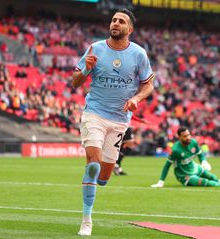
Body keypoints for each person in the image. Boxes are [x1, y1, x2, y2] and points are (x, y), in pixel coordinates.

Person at [72, 9, 154, 236]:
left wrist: (136, 98)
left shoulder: (138, 54)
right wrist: (86, 68)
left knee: (105, 177)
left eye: (122, 21)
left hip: (119, 121)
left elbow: (149, 84)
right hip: (94, 114)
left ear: (130, 29)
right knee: (93, 163)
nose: (116, 23)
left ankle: (98, 182)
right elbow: (75, 82)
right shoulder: (95, 48)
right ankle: (86, 220)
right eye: (114, 20)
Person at [151, 127, 220, 187]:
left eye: (189, 135)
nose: (188, 137)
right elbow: (167, 165)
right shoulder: (175, 150)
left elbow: (200, 154)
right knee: (209, 183)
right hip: (185, 176)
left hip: (194, 167)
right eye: (185, 136)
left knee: (212, 177)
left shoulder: (193, 142)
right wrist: (161, 182)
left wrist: (203, 161)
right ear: (179, 137)